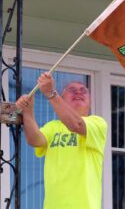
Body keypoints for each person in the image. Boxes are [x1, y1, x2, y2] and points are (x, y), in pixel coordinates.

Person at [16, 72, 107, 209]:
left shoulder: (98, 123)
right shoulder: (53, 127)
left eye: (84, 91)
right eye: (72, 90)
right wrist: (28, 111)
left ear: (90, 102)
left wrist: (51, 94)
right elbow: (35, 140)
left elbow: (76, 124)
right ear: (62, 99)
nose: (78, 93)